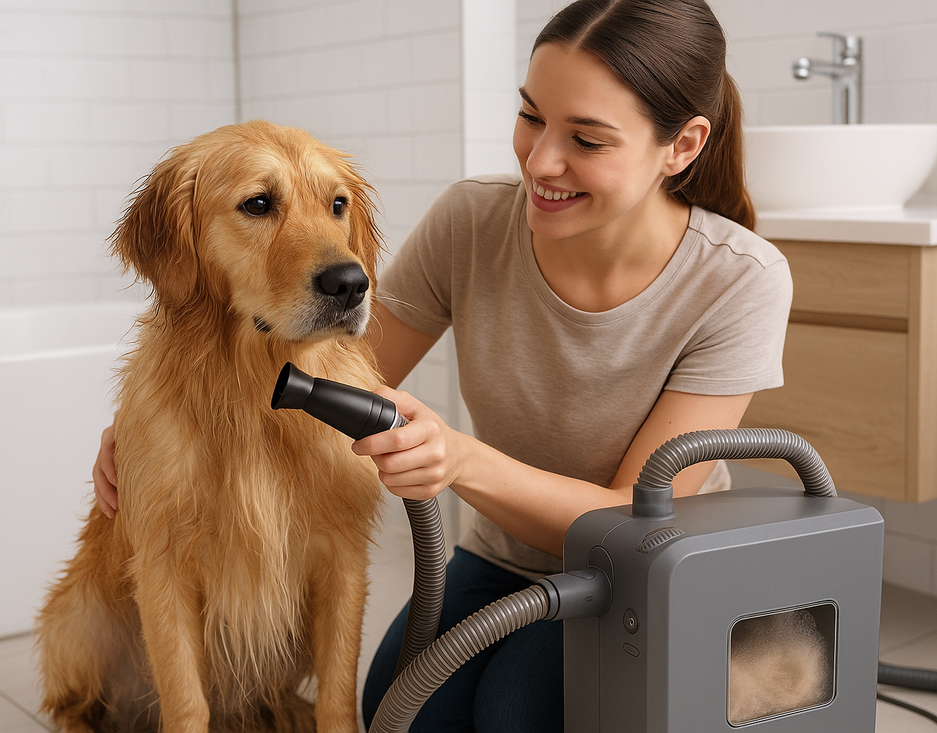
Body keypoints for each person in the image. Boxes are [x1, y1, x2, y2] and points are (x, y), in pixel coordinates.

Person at [92, 0, 792, 730]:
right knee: (402, 711)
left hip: (644, 571)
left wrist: (460, 459)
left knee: (510, 714)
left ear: (682, 146)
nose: (540, 162)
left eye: (586, 139)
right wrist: (155, 425)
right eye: (531, 117)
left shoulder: (740, 279)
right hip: (503, 556)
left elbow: (633, 519)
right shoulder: (473, 220)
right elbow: (338, 374)